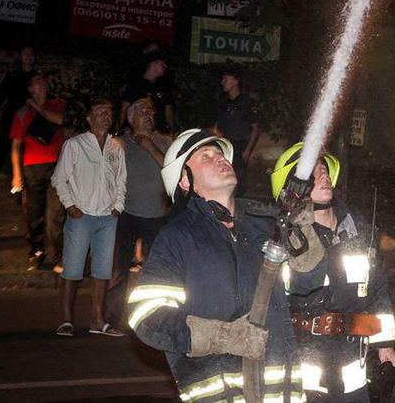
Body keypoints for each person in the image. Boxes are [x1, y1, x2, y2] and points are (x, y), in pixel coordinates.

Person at [127, 129, 305, 402]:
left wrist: (305, 227)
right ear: (185, 182)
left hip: (281, 393)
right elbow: (146, 315)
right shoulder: (179, 237)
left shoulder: (264, 227)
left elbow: (306, 283)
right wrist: (222, 337)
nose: (220, 159)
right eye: (206, 157)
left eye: (221, 154)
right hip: (220, 393)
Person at [271, 142, 395, 402]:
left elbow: (378, 291)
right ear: (292, 189)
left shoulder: (358, 231)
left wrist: (385, 345)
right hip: (304, 357)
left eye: (324, 170)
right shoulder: (284, 240)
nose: (323, 176)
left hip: (353, 358)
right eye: (313, 173)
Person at [51, 98, 127, 338]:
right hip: (81, 216)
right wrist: (70, 206)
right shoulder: (75, 144)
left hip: (107, 217)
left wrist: (118, 207)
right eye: (99, 112)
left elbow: (121, 181)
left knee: (102, 272)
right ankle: (66, 319)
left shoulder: (116, 146)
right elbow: (59, 178)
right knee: (72, 270)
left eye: (108, 112)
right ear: (88, 118)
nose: (105, 116)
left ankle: (97, 319)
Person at [104, 97, 171, 327]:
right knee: (118, 271)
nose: (149, 114)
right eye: (142, 111)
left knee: (157, 273)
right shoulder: (118, 144)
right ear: (131, 118)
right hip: (127, 216)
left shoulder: (164, 141)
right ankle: (111, 320)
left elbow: (171, 171)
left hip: (157, 216)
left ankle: (157, 320)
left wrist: (150, 147)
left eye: (151, 110)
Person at [9, 73, 66, 270]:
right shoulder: (22, 113)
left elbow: (60, 120)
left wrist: (38, 107)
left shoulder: (57, 104)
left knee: (56, 212)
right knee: (34, 213)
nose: (42, 84)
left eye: (44, 81)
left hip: (57, 165)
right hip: (32, 167)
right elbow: (16, 145)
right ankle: (37, 248)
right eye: (37, 82)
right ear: (30, 89)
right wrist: (16, 174)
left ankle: (57, 254)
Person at [212, 66, 261, 196]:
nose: (223, 82)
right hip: (223, 145)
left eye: (226, 79)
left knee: (237, 183)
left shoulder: (246, 102)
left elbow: (255, 129)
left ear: (235, 81)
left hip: (239, 147)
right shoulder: (223, 101)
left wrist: (247, 151)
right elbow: (217, 124)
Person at [0, 45, 37, 185]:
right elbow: (0, 96)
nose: (28, 56)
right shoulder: (12, 76)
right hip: (10, 118)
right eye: (25, 53)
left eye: (31, 53)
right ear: (21, 56)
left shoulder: (37, 78)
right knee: (1, 149)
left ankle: (21, 186)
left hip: (28, 120)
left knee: (24, 152)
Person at [120, 51, 175, 134]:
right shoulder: (135, 84)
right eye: (162, 64)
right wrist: (121, 128)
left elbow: (168, 111)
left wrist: (171, 130)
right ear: (153, 64)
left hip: (158, 132)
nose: (165, 67)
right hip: (137, 132)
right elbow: (124, 108)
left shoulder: (164, 86)